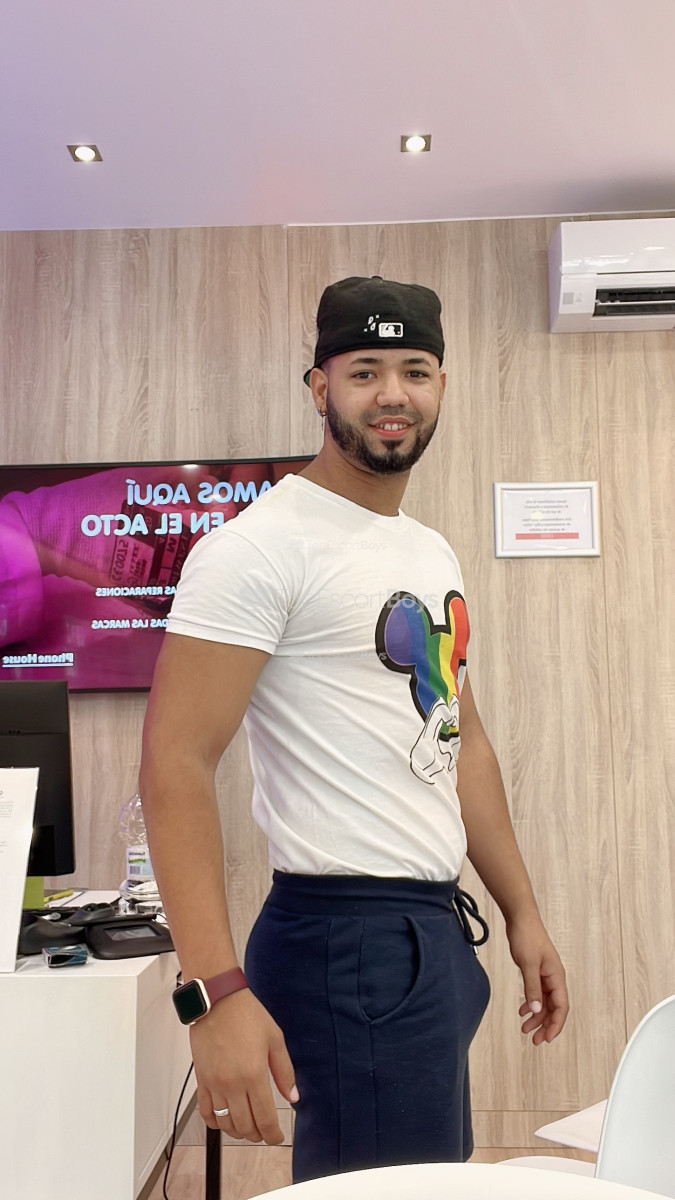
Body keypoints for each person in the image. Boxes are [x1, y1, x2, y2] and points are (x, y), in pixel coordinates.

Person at [139, 276, 569, 1181]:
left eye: (413, 370)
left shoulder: (426, 549)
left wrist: (521, 912)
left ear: (441, 385)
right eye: (363, 371)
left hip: (427, 933)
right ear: (319, 387)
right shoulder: (258, 548)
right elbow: (176, 762)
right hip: (346, 942)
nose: (390, 394)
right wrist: (214, 992)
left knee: (424, 1178)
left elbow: (461, 739)